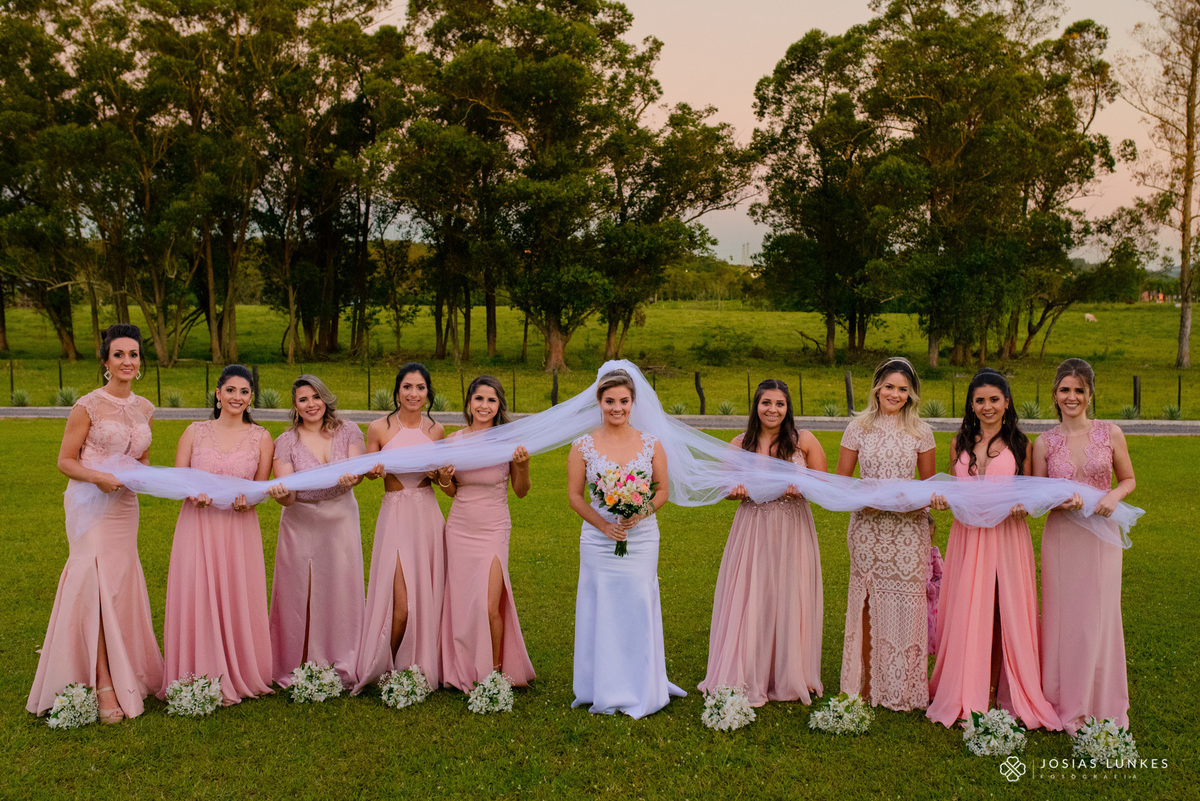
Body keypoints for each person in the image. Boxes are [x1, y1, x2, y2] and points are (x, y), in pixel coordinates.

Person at [27, 324, 163, 723]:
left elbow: (142, 460)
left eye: (133, 354)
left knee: (118, 587)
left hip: (125, 508)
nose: (127, 361)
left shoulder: (146, 409)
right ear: (105, 361)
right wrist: (98, 477)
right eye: (118, 354)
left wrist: (149, 478)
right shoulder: (87, 405)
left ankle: (126, 671)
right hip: (90, 505)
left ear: (140, 363)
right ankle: (103, 682)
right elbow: (65, 461)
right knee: (96, 585)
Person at [928, 370, 1061, 730]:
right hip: (968, 537)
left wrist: (1026, 506)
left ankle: (1009, 691)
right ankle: (963, 689)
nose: (987, 407)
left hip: (1006, 535)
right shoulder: (959, 443)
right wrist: (943, 500)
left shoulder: (1021, 444)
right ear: (971, 404)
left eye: (994, 399)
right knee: (967, 609)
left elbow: (1036, 493)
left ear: (1006, 402)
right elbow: (954, 488)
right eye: (979, 400)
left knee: (1006, 610)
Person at [699, 379, 827, 706]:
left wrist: (804, 488)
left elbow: (826, 485)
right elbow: (725, 487)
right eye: (766, 403)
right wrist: (736, 490)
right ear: (756, 406)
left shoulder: (804, 441)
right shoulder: (740, 443)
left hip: (792, 527)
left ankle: (788, 675)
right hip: (752, 527)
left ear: (788, 408)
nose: (772, 409)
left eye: (779, 404)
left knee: (789, 594)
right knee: (751, 594)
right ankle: (747, 671)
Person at [567, 368, 684, 718]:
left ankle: (640, 685)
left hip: (642, 537)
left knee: (636, 602)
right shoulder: (583, 446)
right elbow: (575, 496)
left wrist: (641, 511)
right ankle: (598, 685)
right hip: (598, 540)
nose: (617, 408)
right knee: (599, 605)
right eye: (610, 401)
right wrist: (604, 525)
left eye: (623, 401)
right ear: (599, 403)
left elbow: (663, 489)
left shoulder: (651, 443)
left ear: (633, 403)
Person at [1033, 358, 1136, 733]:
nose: (1071, 397)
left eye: (1079, 390)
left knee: (1099, 617)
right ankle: (1062, 700)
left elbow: (1128, 479)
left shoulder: (1110, 433)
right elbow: (1037, 495)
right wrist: (1058, 502)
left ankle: (1100, 699)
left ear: (1090, 394)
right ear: (1055, 395)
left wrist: (1113, 497)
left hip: (1101, 536)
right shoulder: (1043, 442)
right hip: (1062, 537)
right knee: (1063, 618)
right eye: (1065, 390)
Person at [161, 364, 274, 705]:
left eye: (244, 392)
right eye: (230, 390)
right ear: (217, 393)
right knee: (196, 591)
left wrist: (249, 501)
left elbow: (262, 487)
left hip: (238, 527)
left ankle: (238, 670)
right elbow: (180, 478)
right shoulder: (194, 432)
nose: (236, 397)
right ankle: (195, 671)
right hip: (198, 523)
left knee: (237, 592)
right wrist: (192, 493)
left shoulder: (261, 437)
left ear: (251, 398)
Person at [836, 356, 936, 711]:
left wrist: (914, 504)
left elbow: (928, 487)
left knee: (909, 606)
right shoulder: (857, 428)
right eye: (889, 387)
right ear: (876, 387)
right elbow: (842, 484)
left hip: (909, 532)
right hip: (868, 529)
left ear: (911, 395)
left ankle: (904, 689)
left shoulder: (921, 432)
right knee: (867, 604)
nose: (895, 394)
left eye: (902, 389)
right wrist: (868, 501)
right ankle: (864, 686)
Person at [267, 375, 367, 689]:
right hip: (300, 519)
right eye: (303, 400)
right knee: (298, 588)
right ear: (295, 406)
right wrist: (281, 493)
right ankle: (295, 661)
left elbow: (358, 468)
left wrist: (354, 478)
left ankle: (343, 659)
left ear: (325, 398)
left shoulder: (349, 430)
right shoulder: (286, 441)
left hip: (340, 516)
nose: (311, 405)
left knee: (341, 585)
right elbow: (288, 493)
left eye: (316, 397)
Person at [353, 363, 446, 693]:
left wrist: (439, 475)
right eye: (408, 387)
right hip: (394, 514)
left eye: (420, 388)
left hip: (427, 516)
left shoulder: (436, 430)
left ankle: (417, 665)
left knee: (426, 595)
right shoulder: (378, 428)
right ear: (397, 391)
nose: (414, 393)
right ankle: (384, 666)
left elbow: (445, 482)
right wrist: (372, 471)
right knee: (401, 605)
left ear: (427, 393)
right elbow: (365, 471)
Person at [438, 376, 535, 694]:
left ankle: (493, 674)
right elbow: (452, 491)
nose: (484, 405)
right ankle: (464, 666)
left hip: (494, 528)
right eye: (478, 398)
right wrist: (444, 479)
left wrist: (523, 467)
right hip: (460, 528)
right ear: (469, 402)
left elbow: (520, 492)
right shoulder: (453, 441)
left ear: (498, 406)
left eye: (491, 400)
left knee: (490, 605)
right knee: (464, 602)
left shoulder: (509, 442)